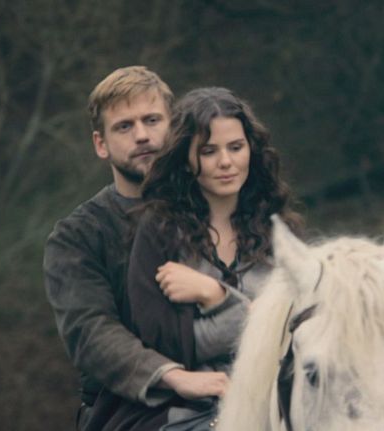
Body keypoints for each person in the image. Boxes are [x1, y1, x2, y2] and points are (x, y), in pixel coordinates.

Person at [90, 87, 303, 430]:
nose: (225, 162)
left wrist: (214, 295)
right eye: (208, 151)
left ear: (252, 150)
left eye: (236, 147)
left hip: (278, 403)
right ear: (186, 160)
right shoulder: (158, 230)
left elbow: (296, 335)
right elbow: (169, 345)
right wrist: (257, 316)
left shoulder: (279, 231)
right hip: (187, 410)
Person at [43, 66, 177, 430]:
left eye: (152, 120)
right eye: (124, 126)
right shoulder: (77, 236)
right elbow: (91, 333)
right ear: (100, 144)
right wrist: (171, 376)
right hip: (121, 414)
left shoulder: (213, 210)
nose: (142, 135)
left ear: (175, 127)